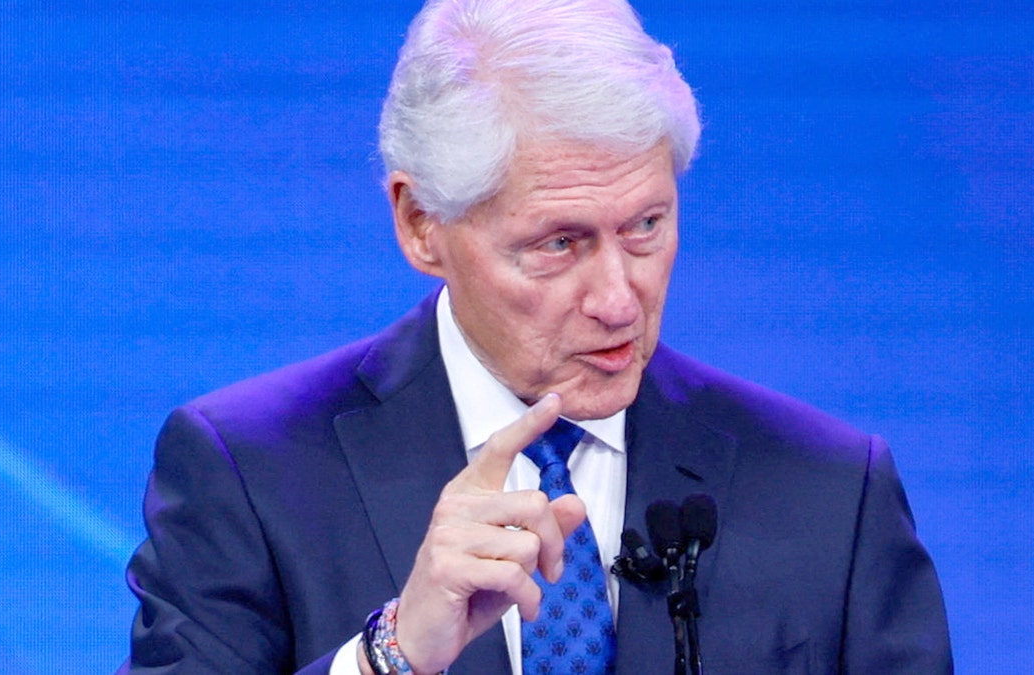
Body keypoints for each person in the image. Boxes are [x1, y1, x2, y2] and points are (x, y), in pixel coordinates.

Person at [121, 0, 953, 673]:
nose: (619, 299)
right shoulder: (250, 471)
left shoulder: (831, 491)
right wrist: (393, 656)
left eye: (647, 226)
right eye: (559, 243)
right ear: (421, 224)